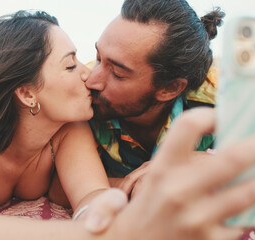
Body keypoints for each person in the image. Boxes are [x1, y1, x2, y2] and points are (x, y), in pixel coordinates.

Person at [0, 8, 255, 240]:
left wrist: (104, 213)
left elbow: (89, 195)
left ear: (170, 88)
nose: (89, 76)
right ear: (27, 93)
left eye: (116, 70)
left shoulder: (69, 127)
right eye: (75, 61)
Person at [86, 0, 225, 196]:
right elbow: (56, 184)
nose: (91, 80)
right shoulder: (79, 91)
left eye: (117, 73)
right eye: (99, 58)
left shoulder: (221, 100)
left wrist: (208, 161)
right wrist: (136, 186)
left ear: (170, 88)